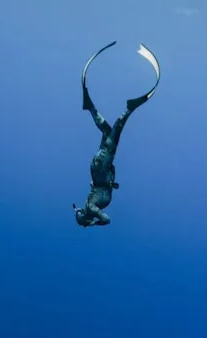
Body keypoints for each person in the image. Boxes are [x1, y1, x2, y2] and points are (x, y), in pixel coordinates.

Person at [73, 42, 159, 227]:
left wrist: (94, 223)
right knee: (108, 132)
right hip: (100, 167)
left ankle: (128, 109)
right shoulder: (89, 204)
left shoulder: (91, 207)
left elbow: (107, 219)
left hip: (102, 166)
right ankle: (90, 108)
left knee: (116, 131)